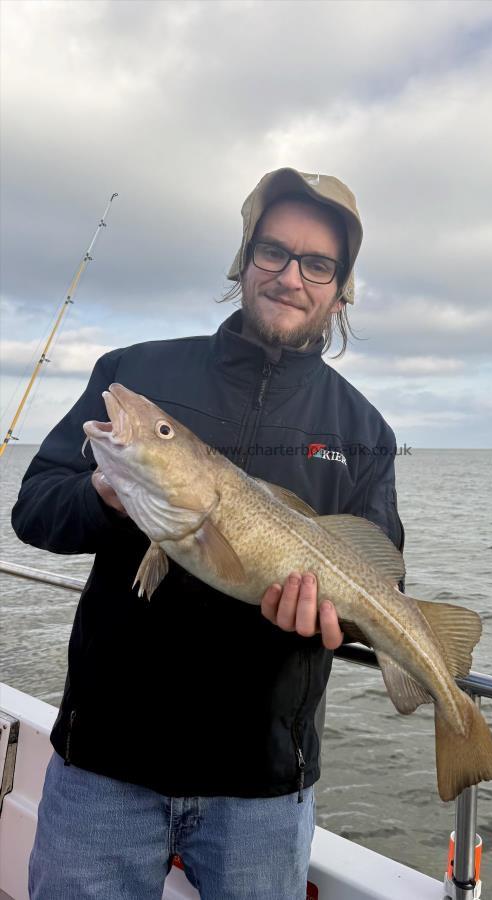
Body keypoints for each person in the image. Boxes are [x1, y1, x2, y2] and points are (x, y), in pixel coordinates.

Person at [12, 167, 404, 900]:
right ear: (244, 260)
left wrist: (327, 623)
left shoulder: (365, 431)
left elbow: (381, 589)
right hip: (102, 770)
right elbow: (33, 510)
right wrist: (108, 494)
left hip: (260, 793)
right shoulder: (137, 372)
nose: (291, 276)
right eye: (274, 252)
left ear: (339, 287)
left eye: (317, 264)